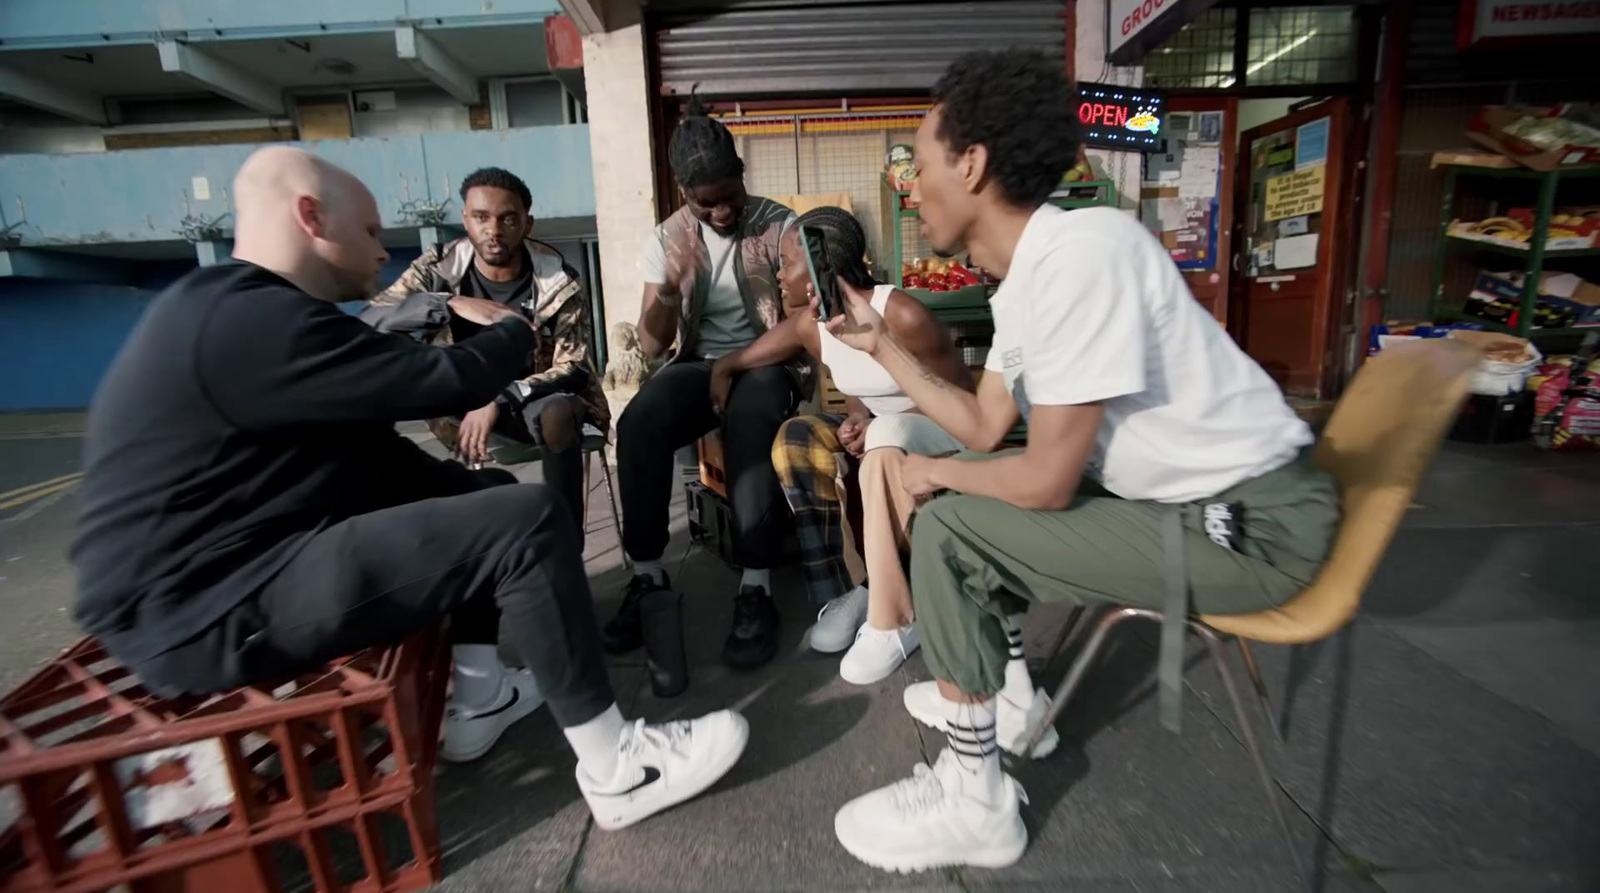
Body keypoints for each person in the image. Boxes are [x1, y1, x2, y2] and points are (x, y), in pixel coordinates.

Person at [72, 147, 748, 832]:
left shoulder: (233, 308)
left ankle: (480, 696)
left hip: (223, 573)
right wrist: (515, 328)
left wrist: (470, 492)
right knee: (526, 518)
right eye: (370, 232)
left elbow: (369, 456)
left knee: (477, 495)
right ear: (310, 216)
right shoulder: (251, 321)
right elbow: (450, 380)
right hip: (206, 607)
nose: (384, 252)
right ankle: (620, 770)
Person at [827, 52, 1339, 872]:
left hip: (1251, 528)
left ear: (973, 163)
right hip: (1198, 502)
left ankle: (975, 801)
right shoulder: (1034, 267)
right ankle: (1011, 695)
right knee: (959, 468)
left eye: (919, 167)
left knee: (955, 523)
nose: (909, 187)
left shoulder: (1081, 255)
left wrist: (933, 475)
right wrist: (885, 347)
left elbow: (1043, 479)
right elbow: (988, 423)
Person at [708, 206, 972, 685]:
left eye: (787, 263)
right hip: (879, 436)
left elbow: (963, 408)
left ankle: (899, 612)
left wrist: (880, 426)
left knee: (888, 436)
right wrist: (725, 366)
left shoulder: (904, 315)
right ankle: (851, 589)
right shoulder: (817, 323)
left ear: (816, 270)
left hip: (938, 435)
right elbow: (781, 343)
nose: (779, 274)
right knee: (796, 438)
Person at [605, 95, 806, 685]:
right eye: (705, 201)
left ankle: (756, 586)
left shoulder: (778, 226)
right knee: (639, 422)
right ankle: (647, 575)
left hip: (770, 361)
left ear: (743, 176)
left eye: (730, 195)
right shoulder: (667, 241)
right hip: (697, 364)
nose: (721, 211)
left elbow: (800, 328)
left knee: (749, 421)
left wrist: (734, 365)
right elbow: (650, 342)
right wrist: (669, 290)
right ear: (682, 193)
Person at [363, 167, 607, 530]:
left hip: (531, 404)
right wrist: (445, 304)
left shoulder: (558, 279)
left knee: (558, 411)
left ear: (527, 223)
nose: (493, 231)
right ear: (466, 219)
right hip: (455, 403)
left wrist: (500, 398)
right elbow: (373, 320)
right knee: (368, 381)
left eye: (508, 219)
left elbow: (574, 365)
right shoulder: (436, 269)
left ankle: (566, 539)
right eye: (481, 217)